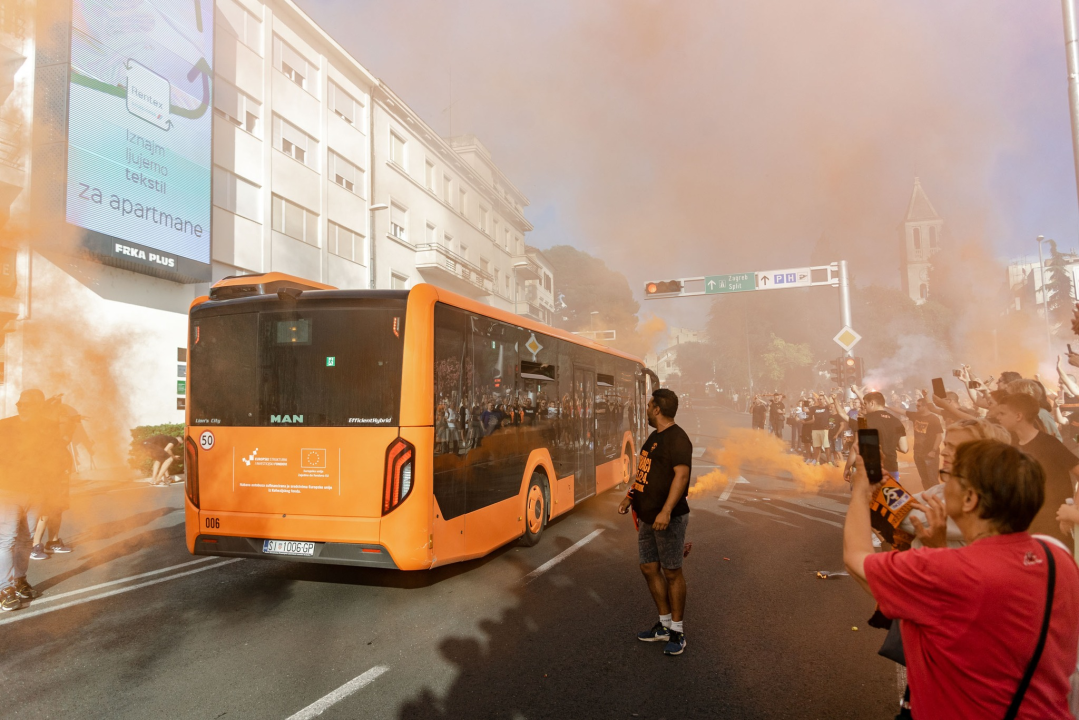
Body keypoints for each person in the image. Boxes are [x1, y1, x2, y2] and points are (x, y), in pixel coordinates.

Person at [844, 438, 1079, 719]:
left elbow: (856, 558)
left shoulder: (944, 571)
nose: (942, 482)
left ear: (969, 499)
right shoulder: (1056, 555)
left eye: (950, 476)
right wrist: (939, 551)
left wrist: (860, 490)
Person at [618, 388, 692, 657]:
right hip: (648, 517)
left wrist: (666, 511)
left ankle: (677, 631)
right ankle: (662, 627)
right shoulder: (654, 437)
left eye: (650, 405)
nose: (647, 409)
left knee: (672, 572)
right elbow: (644, 472)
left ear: (657, 409)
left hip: (667, 518)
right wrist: (630, 497)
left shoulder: (678, 438)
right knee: (649, 568)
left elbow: (681, 477)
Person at [0, 390, 73, 611]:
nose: (23, 407)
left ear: (40, 407)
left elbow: (57, 459)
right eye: (21, 403)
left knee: (26, 539)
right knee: (7, 539)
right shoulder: (4, 426)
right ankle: (4, 589)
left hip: (36, 492)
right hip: (9, 490)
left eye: (30, 404)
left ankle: (20, 581)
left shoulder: (48, 428)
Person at [899, 418, 1013, 549]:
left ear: (982, 455)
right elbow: (907, 503)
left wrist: (880, 490)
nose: (943, 452)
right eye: (946, 444)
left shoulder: (984, 499)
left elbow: (911, 520)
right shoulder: (946, 488)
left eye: (953, 447)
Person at [990, 393, 1079, 547]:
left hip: (1053, 525)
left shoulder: (1049, 444)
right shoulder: (1011, 444)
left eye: (1002, 413)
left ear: (1019, 416)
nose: (998, 417)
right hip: (1024, 523)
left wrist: (1072, 510)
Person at [857, 391, 907, 481]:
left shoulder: (863, 419)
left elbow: (858, 444)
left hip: (872, 468)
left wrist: (847, 467)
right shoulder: (897, 422)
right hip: (892, 467)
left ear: (872, 403)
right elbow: (904, 448)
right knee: (890, 493)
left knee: (872, 494)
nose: (864, 406)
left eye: (865, 404)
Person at [906, 396, 943, 489]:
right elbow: (901, 411)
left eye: (918, 406)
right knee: (924, 479)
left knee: (933, 479)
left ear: (925, 406)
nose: (916, 408)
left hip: (930, 453)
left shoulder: (934, 418)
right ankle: (927, 500)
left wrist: (933, 450)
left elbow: (939, 436)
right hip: (918, 453)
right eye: (916, 406)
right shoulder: (915, 415)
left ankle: (937, 501)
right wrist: (886, 406)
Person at [807, 395, 832, 466]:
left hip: (824, 429)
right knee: (816, 446)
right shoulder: (814, 408)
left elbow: (830, 405)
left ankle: (829, 461)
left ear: (824, 400)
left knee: (826, 446)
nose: (820, 401)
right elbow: (805, 410)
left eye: (821, 399)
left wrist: (824, 395)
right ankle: (817, 461)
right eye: (819, 399)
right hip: (815, 429)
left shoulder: (826, 407)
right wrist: (804, 403)